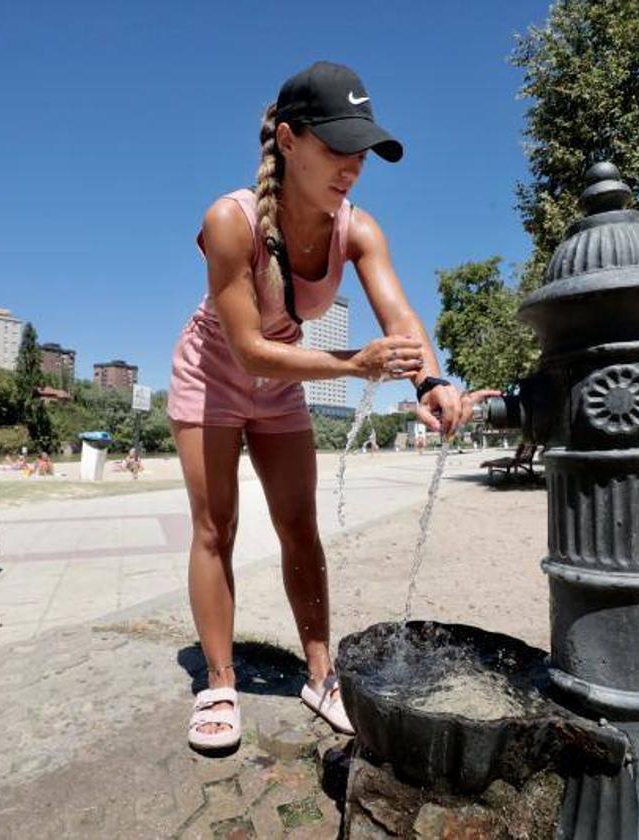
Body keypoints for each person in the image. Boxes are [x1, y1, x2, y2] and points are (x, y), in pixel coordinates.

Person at [167, 61, 473, 752]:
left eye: (361, 153)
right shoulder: (230, 220)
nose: (353, 168)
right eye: (338, 148)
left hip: (284, 383)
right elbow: (246, 349)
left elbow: (400, 316)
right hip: (213, 375)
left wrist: (431, 385)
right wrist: (353, 364)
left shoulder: (358, 230)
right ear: (289, 140)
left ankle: (320, 672)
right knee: (216, 526)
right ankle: (218, 681)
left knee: (300, 526)